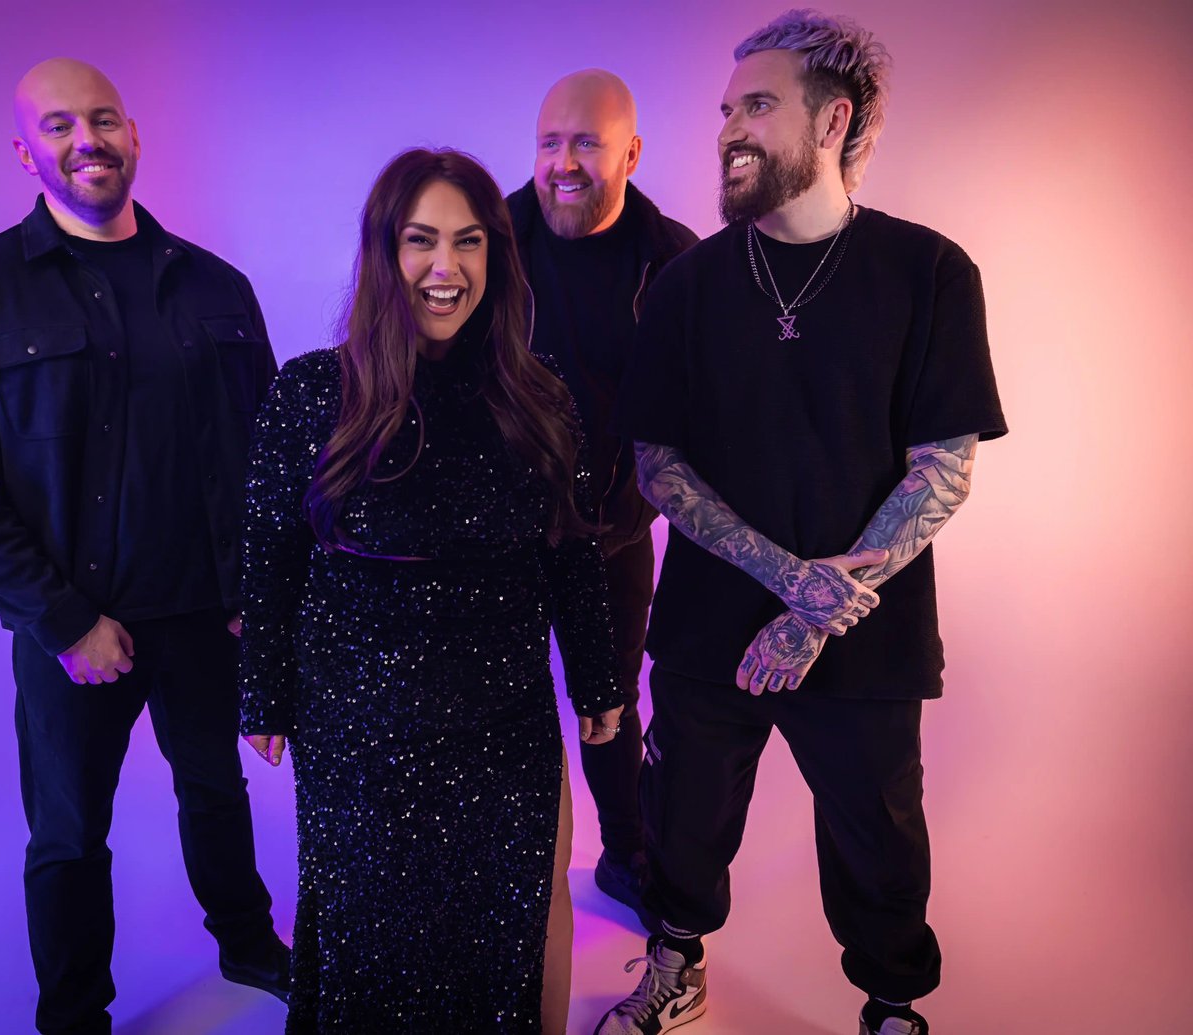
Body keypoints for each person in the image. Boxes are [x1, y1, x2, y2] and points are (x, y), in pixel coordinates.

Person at [596, 12, 1007, 1035]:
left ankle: (893, 1003)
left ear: (833, 121)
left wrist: (819, 614)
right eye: (728, 108)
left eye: (759, 106)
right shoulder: (686, 285)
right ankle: (676, 964)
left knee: (878, 840)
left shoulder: (929, 272)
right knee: (681, 823)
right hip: (705, 631)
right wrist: (788, 581)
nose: (731, 127)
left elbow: (944, 466)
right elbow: (657, 465)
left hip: (867, 637)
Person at [0, 58, 289, 1035]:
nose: (88, 141)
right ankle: (74, 1014)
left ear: (133, 133)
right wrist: (68, 620)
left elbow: (268, 457)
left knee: (217, 791)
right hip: (73, 631)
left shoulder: (216, 287)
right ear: (26, 149)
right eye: (61, 125)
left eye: (105, 119)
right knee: (71, 836)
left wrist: (260, 590)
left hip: (210, 612)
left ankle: (249, 948)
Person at [237, 148, 623, 1034]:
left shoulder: (540, 396)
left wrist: (600, 680)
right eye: (420, 241)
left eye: (468, 242)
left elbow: (571, 548)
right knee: (369, 942)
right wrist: (261, 690)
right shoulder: (310, 392)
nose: (445, 268)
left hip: (504, 733)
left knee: (495, 942)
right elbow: (268, 553)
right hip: (359, 733)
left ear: (496, 256)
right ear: (383, 253)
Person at [505, 69, 697, 928]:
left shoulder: (676, 259)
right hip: (498, 532)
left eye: (586, 141)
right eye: (551, 141)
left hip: (615, 532)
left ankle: (627, 855)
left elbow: (704, 404)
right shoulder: (491, 237)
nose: (564, 162)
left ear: (631, 151)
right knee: (493, 702)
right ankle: (499, 863)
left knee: (609, 700)